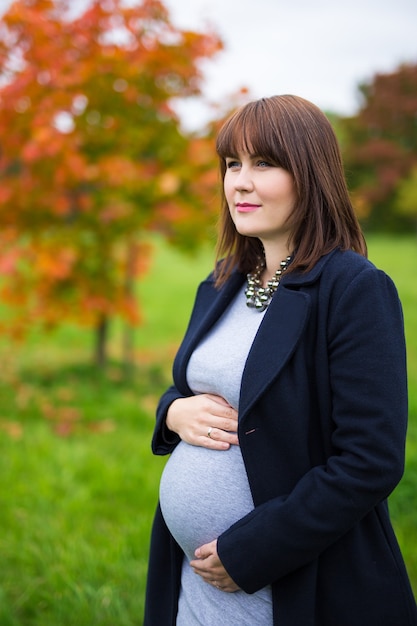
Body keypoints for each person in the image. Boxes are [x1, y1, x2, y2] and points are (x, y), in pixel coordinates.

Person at [144, 94, 417, 626]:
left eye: (263, 163)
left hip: (291, 588)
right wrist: (172, 413)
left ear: (309, 174)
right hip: (192, 588)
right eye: (232, 164)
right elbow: (192, 390)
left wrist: (252, 551)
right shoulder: (223, 281)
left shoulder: (354, 289)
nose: (240, 182)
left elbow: (370, 459)